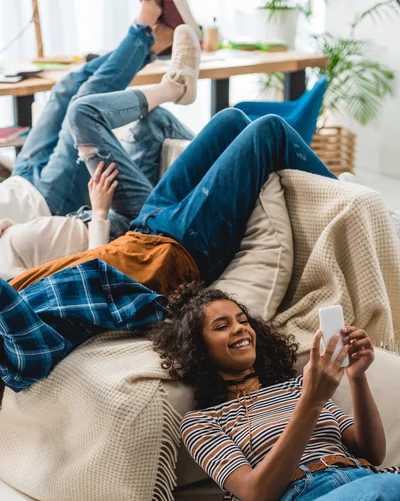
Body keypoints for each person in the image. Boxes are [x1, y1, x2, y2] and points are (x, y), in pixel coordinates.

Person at [0, 107, 337, 399]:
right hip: (180, 250)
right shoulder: (23, 352)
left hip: (143, 229)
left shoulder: (17, 292)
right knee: (269, 129)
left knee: (229, 120)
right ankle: (353, 203)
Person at [151, 282, 398, 501]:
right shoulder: (204, 422)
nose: (240, 329)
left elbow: (371, 452)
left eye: (242, 320)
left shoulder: (297, 388)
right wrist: (311, 401)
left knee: (386, 496)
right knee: (387, 496)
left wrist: (357, 377)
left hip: (361, 479)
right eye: (222, 326)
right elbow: (259, 494)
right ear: (198, 347)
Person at [0, 0, 199, 230]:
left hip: (19, 180)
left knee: (64, 89)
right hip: (48, 204)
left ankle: (157, 43)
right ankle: (147, 32)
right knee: (84, 101)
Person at [0, 105, 194, 280]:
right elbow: (83, 281)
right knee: (82, 115)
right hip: (118, 233)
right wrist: (99, 213)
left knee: (154, 120)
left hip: (92, 216)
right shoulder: (7, 280)